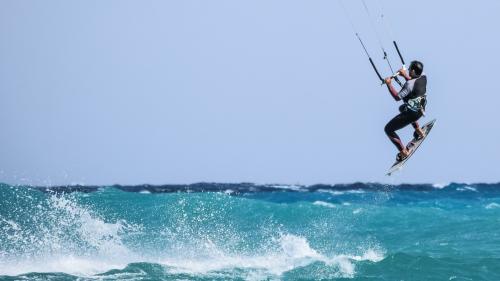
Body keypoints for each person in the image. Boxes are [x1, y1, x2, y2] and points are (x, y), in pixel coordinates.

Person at [384, 60, 427, 161]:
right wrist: (404, 75)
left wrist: (389, 84)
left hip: (412, 114)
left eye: (409, 69)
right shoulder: (424, 76)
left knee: (388, 129)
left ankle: (404, 152)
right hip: (421, 110)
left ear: (412, 71)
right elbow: (413, 82)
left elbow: (397, 97)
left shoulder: (409, 85)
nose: (407, 70)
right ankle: (419, 131)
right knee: (402, 108)